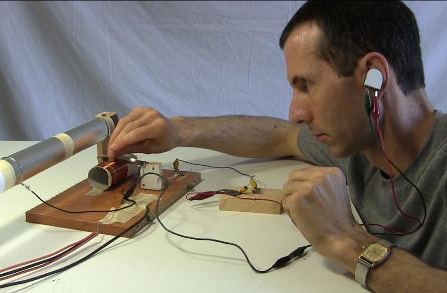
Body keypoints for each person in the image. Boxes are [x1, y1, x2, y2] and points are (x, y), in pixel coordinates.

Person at [107, 1, 447, 292]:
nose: (296, 111)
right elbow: (279, 135)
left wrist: (348, 241)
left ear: (374, 77)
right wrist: (178, 130)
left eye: (306, 85)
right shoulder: (357, 142)